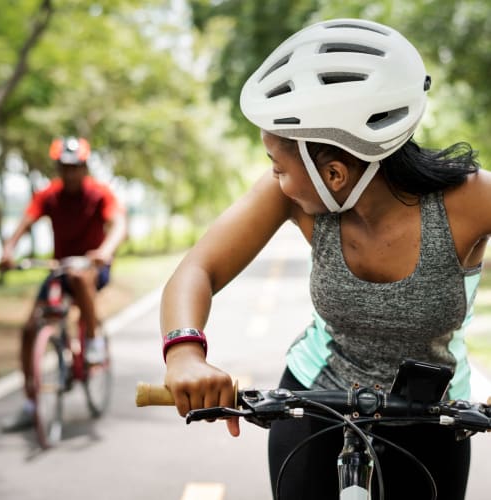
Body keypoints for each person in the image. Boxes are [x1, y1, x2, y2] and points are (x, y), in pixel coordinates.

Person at [159, 18, 487, 500]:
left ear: (333, 173)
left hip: (431, 414)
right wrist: (184, 352)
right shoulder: (291, 196)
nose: (276, 180)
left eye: (278, 166)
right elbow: (198, 269)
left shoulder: (469, 199)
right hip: (315, 403)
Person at [0, 136, 127, 432]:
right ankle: (31, 404)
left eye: (76, 167)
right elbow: (24, 224)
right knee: (31, 328)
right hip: (59, 268)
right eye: (64, 167)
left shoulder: (99, 193)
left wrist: (105, 252)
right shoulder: (49, 195)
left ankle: (93, 341)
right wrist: (8, 250)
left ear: (85, 167)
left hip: (92, 268)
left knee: (79, 277)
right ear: (57, 168)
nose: (69, 173)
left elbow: (120, 225)